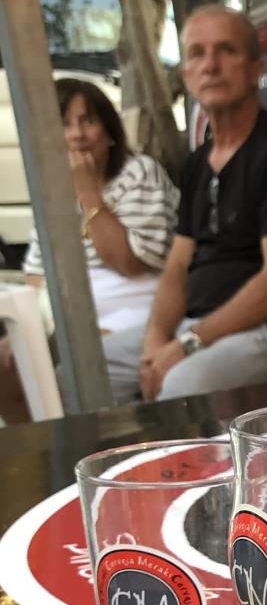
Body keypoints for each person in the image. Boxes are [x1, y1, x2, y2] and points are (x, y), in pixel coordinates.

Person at [104, 4, 267, 402]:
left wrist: (188, 343)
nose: (210, 65)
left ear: (257, 69)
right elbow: (177, 266)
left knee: (181, 386)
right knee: (81, 374)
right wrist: (155, 341)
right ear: (186, 75)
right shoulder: (196, 165)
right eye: (197, 53)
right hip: (198, 327)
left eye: (226, 50)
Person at [0, 77, 178, 422]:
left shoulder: (139, 173)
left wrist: (88, 192)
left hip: (139, 313)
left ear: (109, 132)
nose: (77, 134)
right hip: (69, 320)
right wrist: (27, 334)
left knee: (65, 378)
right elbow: (36, 274)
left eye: (87, 121)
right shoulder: (53, 189)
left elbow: (128, 263)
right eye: (64, 124)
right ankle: (47, 449)